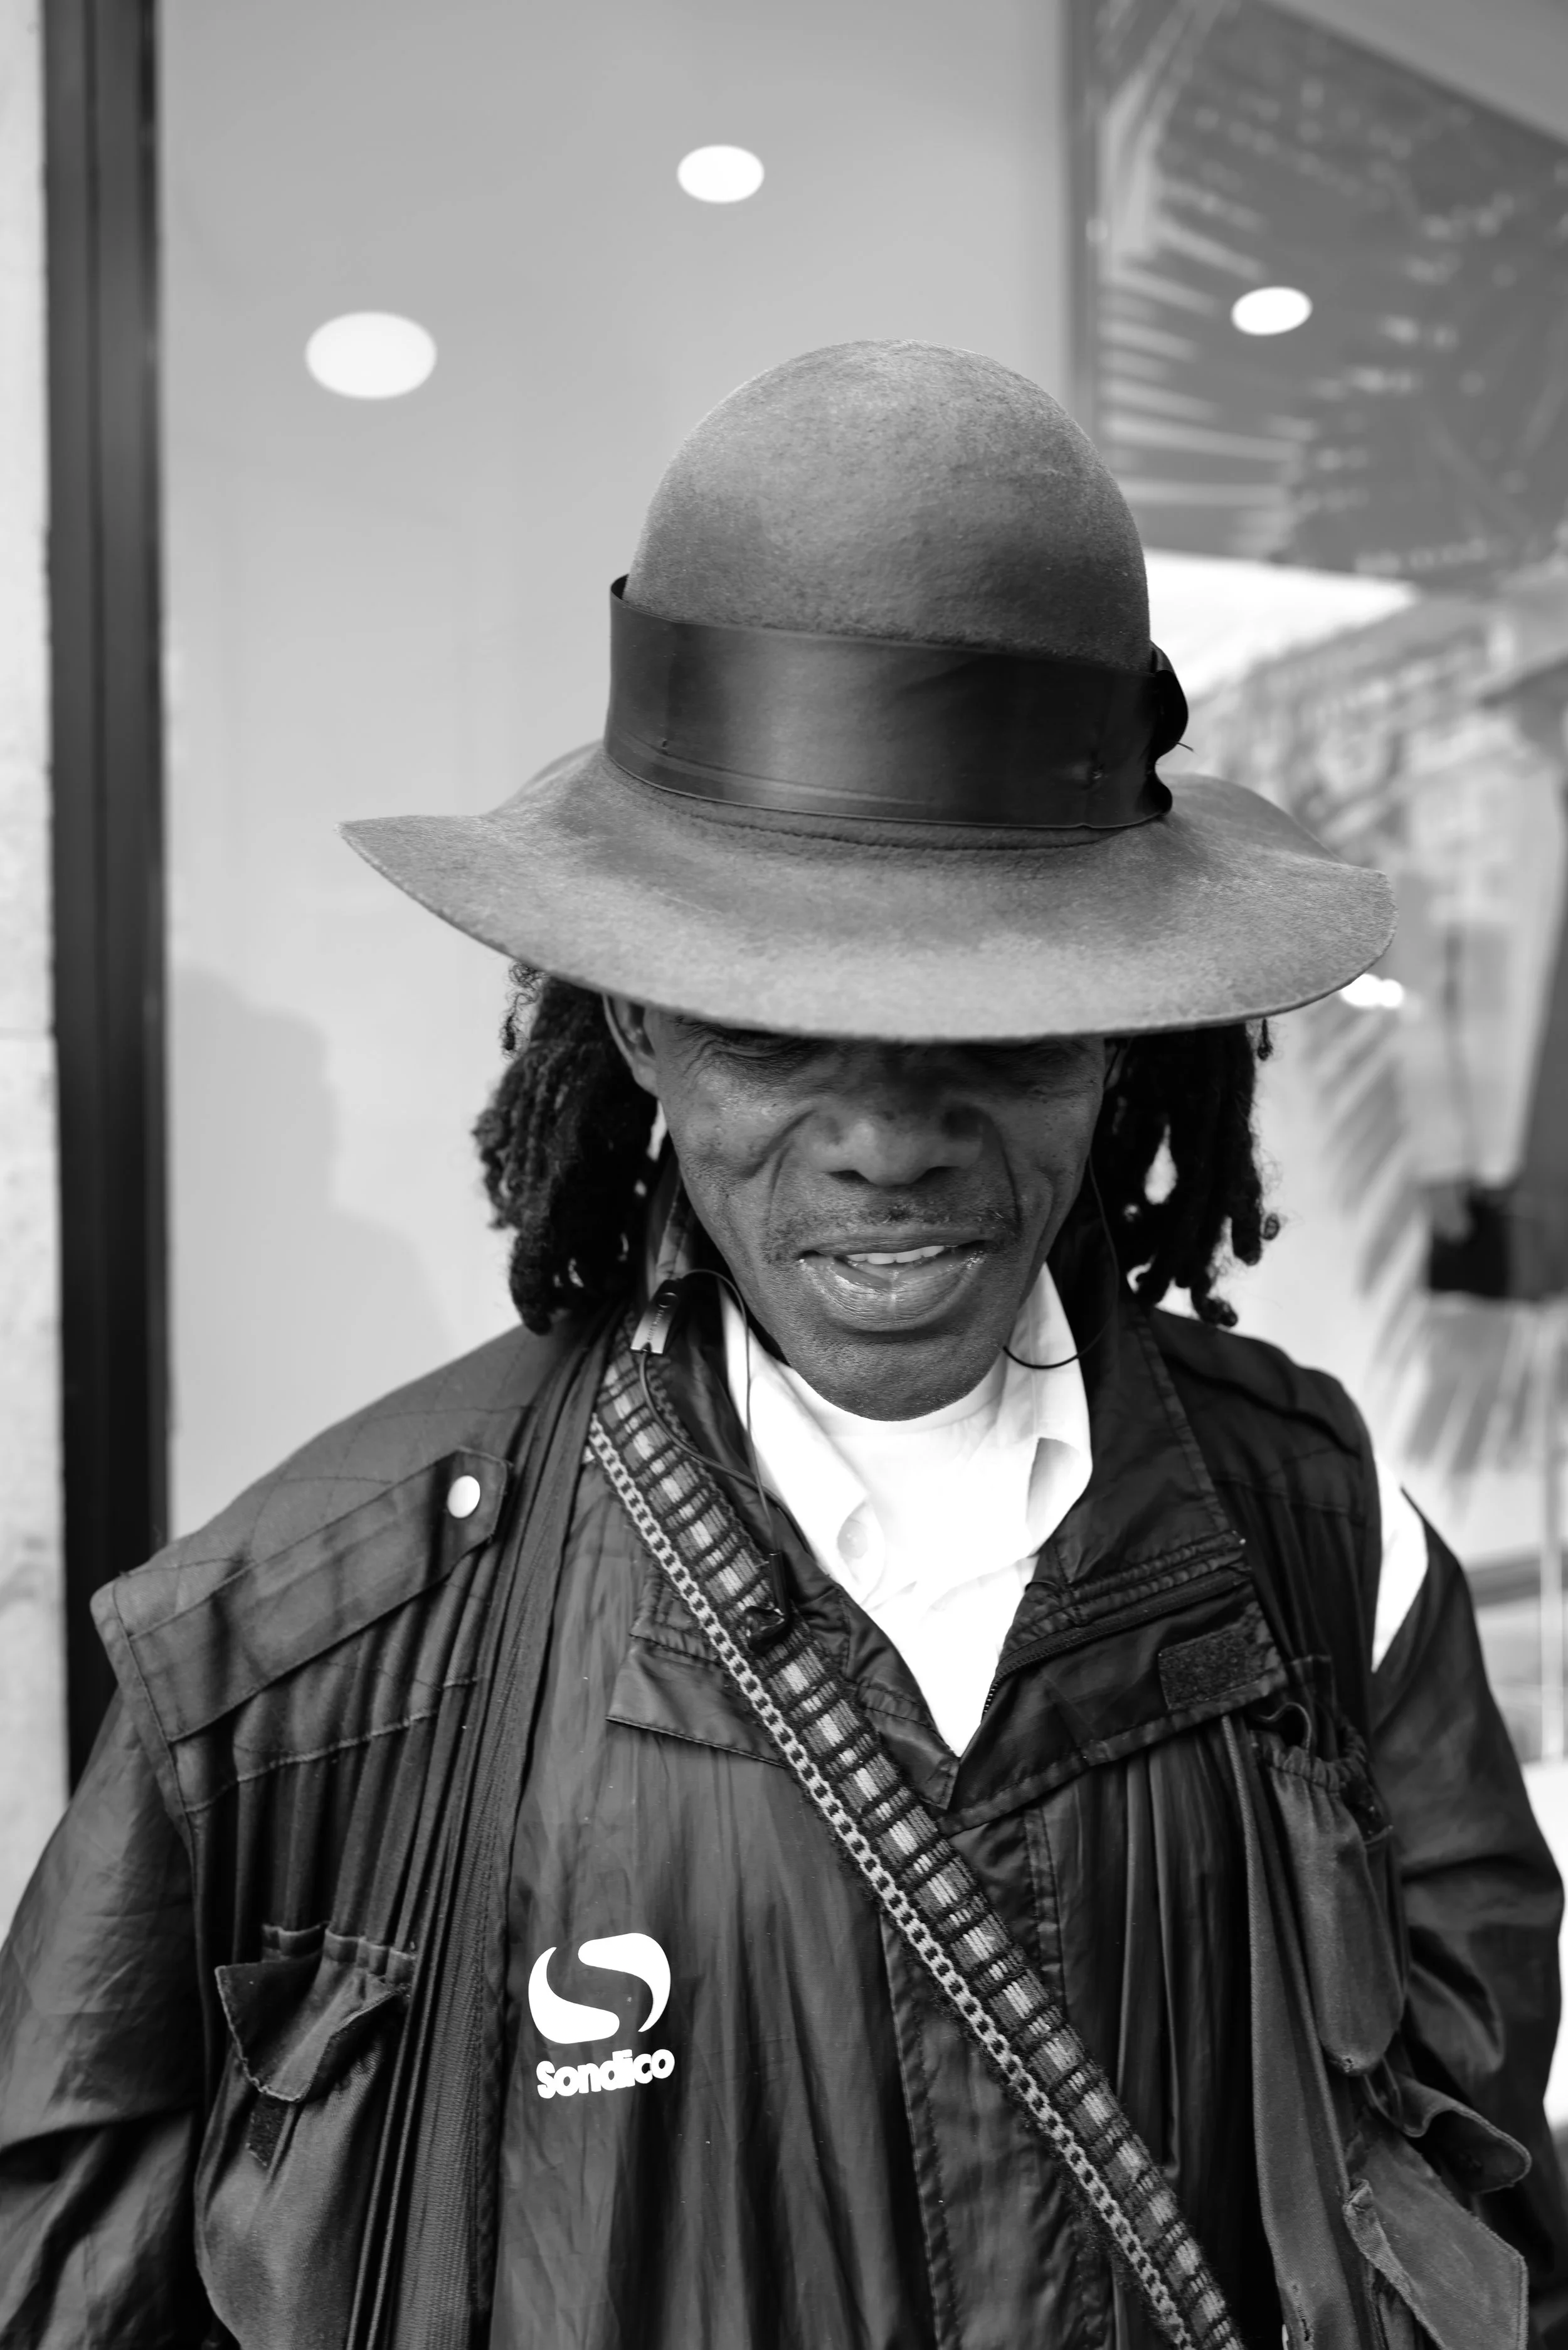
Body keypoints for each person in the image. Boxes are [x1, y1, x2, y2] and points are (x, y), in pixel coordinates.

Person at [2, 340, 1565, 2350]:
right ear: (635, 1024)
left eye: (997, 1023)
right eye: (772, 1017)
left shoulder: (1327, 1552)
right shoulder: (294, 1662)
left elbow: (1476, 2197)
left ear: (1127, 1037)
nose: (891, 1136)